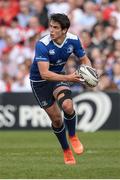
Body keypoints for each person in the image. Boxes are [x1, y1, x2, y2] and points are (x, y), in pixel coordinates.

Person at [30, 13, 92, 165]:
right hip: (40, 82)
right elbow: (44, 74)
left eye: (55, 27)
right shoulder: (42, 44)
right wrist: (70, 78)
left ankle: (73, 136)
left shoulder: (73, 40)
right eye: (51, 26)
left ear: (64, 30)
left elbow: (84, 59)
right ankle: (66, 150)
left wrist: (90, 73)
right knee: (57, 120)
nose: (51, 30)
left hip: (58, 77)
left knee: (67, 106)